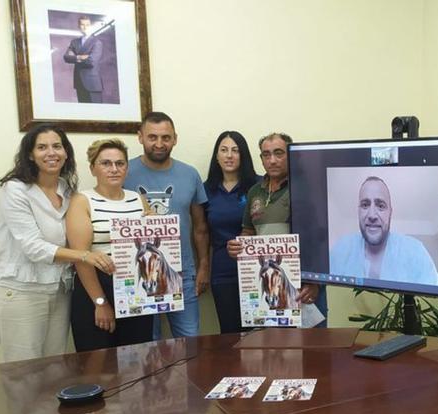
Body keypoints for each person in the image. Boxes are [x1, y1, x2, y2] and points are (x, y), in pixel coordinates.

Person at [0, 124, 113, 362]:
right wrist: (85, 255)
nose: (51, 152)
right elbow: (33, 247)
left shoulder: (67, 190)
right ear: (30, 154)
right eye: (42, 147)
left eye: (57, 146)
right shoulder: (15, 190)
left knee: (54, 366)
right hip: (21, 291)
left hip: (60, 290)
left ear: (66, 152)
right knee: (24, 371)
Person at [226, 132, 326, 326]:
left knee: (315, 349)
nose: (272, 160)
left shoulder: (308, 188)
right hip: (268, 285)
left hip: (304, 286)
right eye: (266, 154)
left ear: (291, 155)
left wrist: (315, 282)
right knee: (273, 350)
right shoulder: (255, 192)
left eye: (279, 153)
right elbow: (248, 234)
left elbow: (322, 239)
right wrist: (238, 247)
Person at [125, 112, 210, 338]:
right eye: (152, 137)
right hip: (138, 273)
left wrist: (203, 267)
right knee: (146, 343)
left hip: (183, 272)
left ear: (175, 139)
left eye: (166, 137)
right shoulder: (123, 172)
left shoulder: (190, 174)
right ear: (140, 137)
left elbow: (200, 227)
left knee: (189, 338)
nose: (159, 144)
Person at [66, 139, 154, 351]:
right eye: (106, 163)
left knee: (138, 360)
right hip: (97, 286)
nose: (114, 169)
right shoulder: (82, 200)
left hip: (136, 287)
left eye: (120, 163)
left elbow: (151, 247)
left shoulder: (138, 199)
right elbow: (81, 257)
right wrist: (100, 302)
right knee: (98, 365)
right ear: (93, 168)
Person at [329, 176, 438, 286]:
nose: (372, 215)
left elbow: (436, 301)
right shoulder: (341, 249)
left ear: (390, 213)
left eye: (380, 206)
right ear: (358, 211)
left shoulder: (416, 252)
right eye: (365, 205)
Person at [203, 131, 258, 333]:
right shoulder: (206, 190)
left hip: (258, 270)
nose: (229, 155)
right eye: (224, 150)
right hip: (223, 272)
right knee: (230, 334)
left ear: (243, 155)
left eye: (235, 150)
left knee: (261, 335)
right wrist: (203, 268)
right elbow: (202, 233)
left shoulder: (260, 186)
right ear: (216, 156)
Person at [62, 16, 104, 103]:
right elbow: (66, 57)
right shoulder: (74, 42)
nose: (85, 27)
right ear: (78, 26)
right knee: (84, 113)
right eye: (82, 24)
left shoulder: (97, 42)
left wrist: (75, 58)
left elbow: (91, 62)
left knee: (96, 113)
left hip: (93, 84)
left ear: (91, 26)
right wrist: (80, 57)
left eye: (87, 25)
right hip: (79, 82)